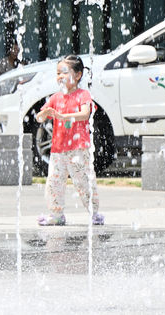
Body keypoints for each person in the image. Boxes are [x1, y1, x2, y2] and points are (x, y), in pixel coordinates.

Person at [35, 54, 104, 227]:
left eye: (64, 72)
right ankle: (56, 214)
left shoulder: (83, 95)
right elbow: (39, 118)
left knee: (83, 181)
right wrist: (44, 114)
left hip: (78, 147)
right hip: (58, 148)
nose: (60, 76)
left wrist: (63, 116)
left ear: (78, 75)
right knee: (54, 182)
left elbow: (85, 114)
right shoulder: (56, 97)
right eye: (58, 73)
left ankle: (94, 212)